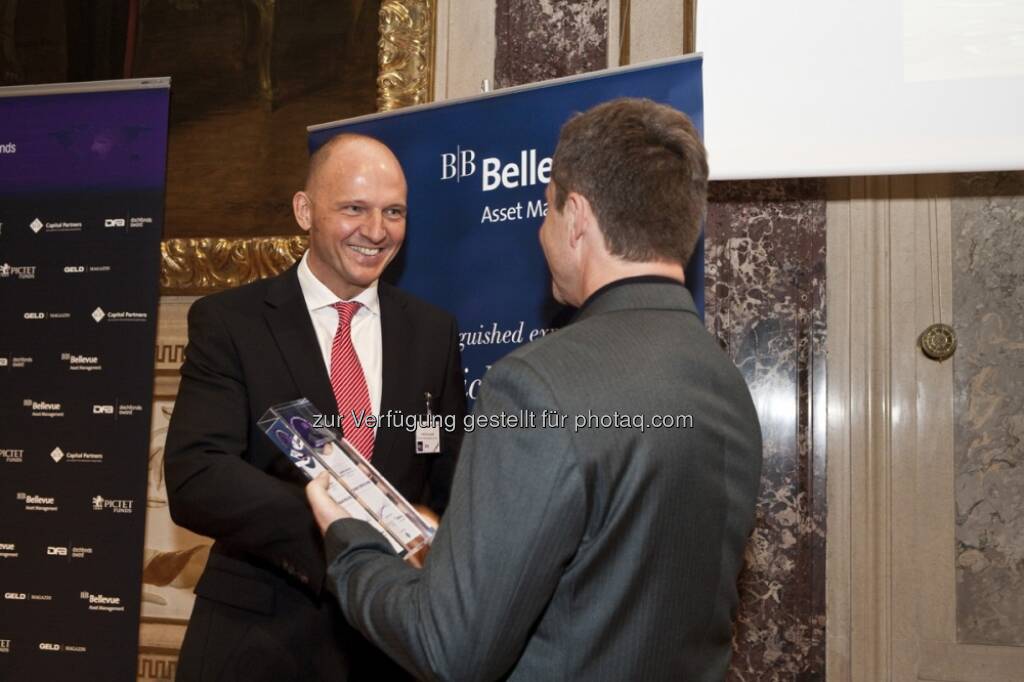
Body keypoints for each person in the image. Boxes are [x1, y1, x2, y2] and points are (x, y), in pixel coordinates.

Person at [306, 98, 763, 681]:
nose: (541, 232)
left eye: (546, 210)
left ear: (576, 218)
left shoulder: (534, 386)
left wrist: (350, 543)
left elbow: (447, 649)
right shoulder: (725, 380)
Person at [164, 133, 466, 681]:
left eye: (393, 212)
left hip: (387, 646)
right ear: (305, 211)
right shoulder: (232, 322)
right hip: (259, 643)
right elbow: (197, 475)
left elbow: (448, 482)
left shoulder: (433, 332)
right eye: (354, 208)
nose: (376, 231)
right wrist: (344, 529)